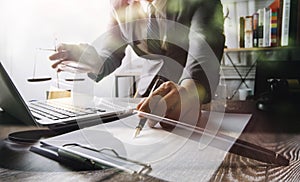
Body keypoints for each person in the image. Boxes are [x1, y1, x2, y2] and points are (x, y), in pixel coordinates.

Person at [49, 0, 225, 128]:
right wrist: (93, 61)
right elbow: (110, 54)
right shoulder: (119, 5)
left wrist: (188, 91)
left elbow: (204, 48)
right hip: (143, 99)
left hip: (194, 98)